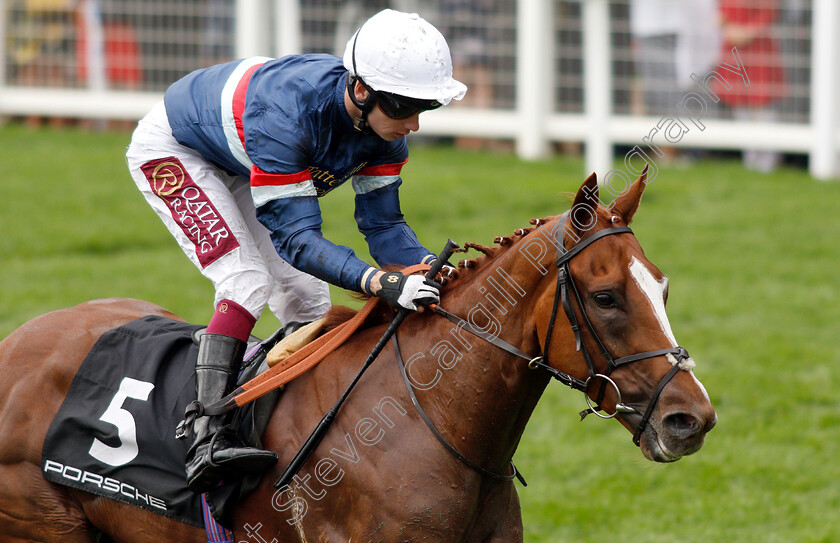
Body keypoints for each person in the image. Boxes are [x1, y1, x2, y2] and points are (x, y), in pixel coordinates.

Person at [125, 9, 466, 494]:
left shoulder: (383, 128)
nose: (412, 124)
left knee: (309, 305)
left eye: (423, 109)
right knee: (245, 282)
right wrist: (381, 282)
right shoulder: (287, 117)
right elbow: (296, 240)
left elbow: (385, 225)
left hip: (245, 154)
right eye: (403, 108)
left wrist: (427, 267)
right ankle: (205, 433)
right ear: (361, 90)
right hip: (180, 150)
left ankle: (297, 427)